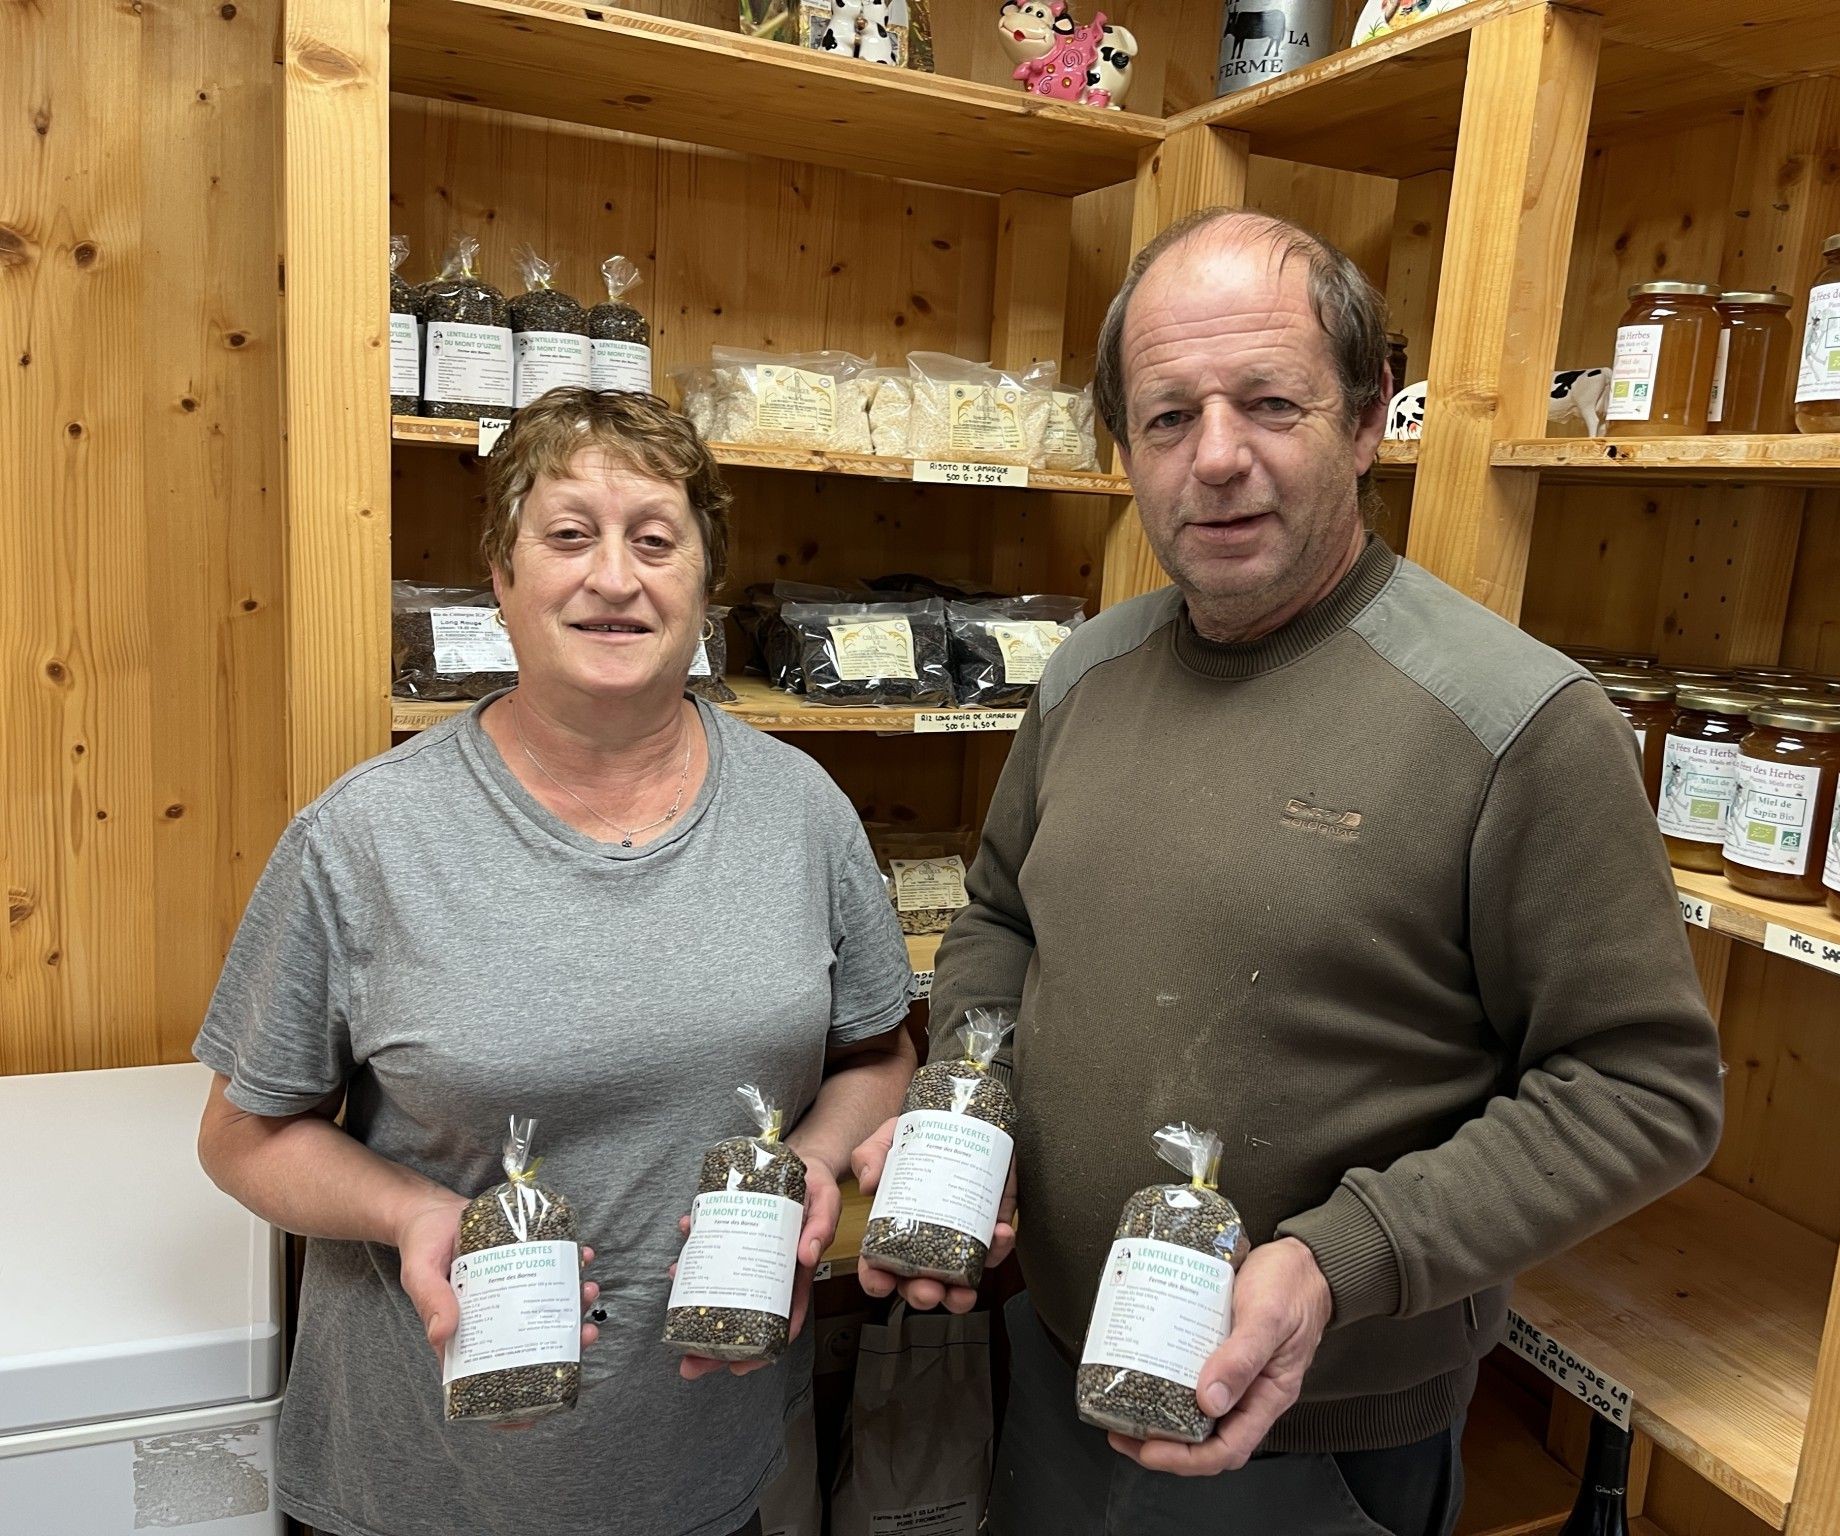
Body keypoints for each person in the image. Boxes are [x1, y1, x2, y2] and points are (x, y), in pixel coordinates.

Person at [854, 210, 1724, 1535]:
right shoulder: (1087, 674)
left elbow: (1645, 1088)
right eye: (1166, 417)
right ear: (1125, 448)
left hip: (1307, 1442)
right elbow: (1001, 916)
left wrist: (1345, 1256)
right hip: (1056, 1357)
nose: (1217, 459)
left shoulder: (1516, 724)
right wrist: (975, 1108)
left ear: (1369, 418)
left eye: (1270, 403)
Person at [195, 388, 914, 1536]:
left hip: (705, 1473)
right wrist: (413, 1215)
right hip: (424, 1487)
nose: (614, 579)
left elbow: (878, 1055)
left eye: (654, 540)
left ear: (702, 585)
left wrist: (814, 1169)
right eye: (568, 535)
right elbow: (242, 1134)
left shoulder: (801, 811)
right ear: (501, 577)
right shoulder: (367, 836)